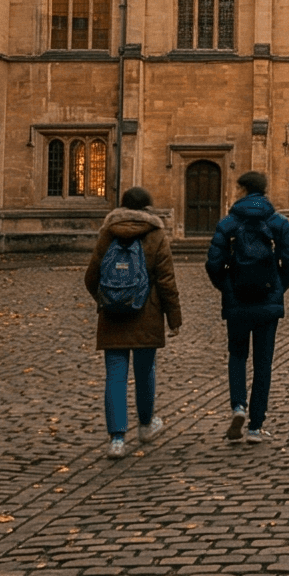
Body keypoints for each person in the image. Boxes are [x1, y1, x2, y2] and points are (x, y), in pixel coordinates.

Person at [84, 186, 182, 459]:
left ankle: (116, 439)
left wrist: (107, 299)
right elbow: (166, 281)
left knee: (115, 376)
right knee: (144, 371)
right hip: (146, 315)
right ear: (147, 209)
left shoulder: (108, 232)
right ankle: (146, 425)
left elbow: (91, 277)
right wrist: (174, 318)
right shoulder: (156, 234)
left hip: (112, 316)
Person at [206, 170, 289, 443]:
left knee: (237, 357)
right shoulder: (278, 222)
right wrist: (277, 286)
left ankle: (238, 407)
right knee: (263, 363)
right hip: (267, 301)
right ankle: (255, 427)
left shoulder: (228, 223)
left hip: (237, 302)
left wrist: (227, 287)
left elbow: (213, 263)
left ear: (243, 190)